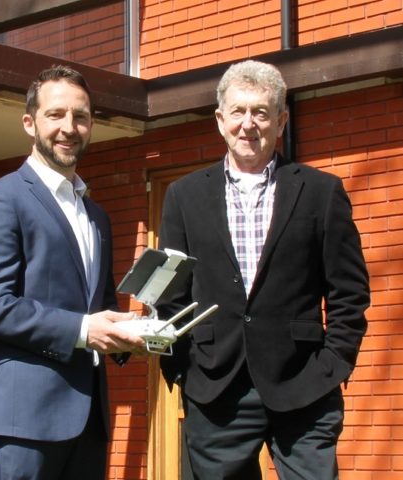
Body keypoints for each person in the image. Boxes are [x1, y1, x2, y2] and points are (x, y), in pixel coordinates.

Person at [157, 59, 370, 480]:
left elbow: (349, 291)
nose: (248, 124)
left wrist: (335, 362)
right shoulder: (183, 196)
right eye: (238, 111)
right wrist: (182, 369)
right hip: (216, 388)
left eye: (260, 112)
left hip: (305, 383)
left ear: (281, 120)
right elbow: (170, 295)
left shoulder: (321, 192)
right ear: (220, 120)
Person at [0, 65, 145, 480]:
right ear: (30, 123)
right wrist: (83, 330)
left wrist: (135, 335)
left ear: (92, 125)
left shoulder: (97, 216)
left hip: (89, 423)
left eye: (80, 116)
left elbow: (98, 309)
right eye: (56, 114)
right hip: (24, 422)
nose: (69, 127)